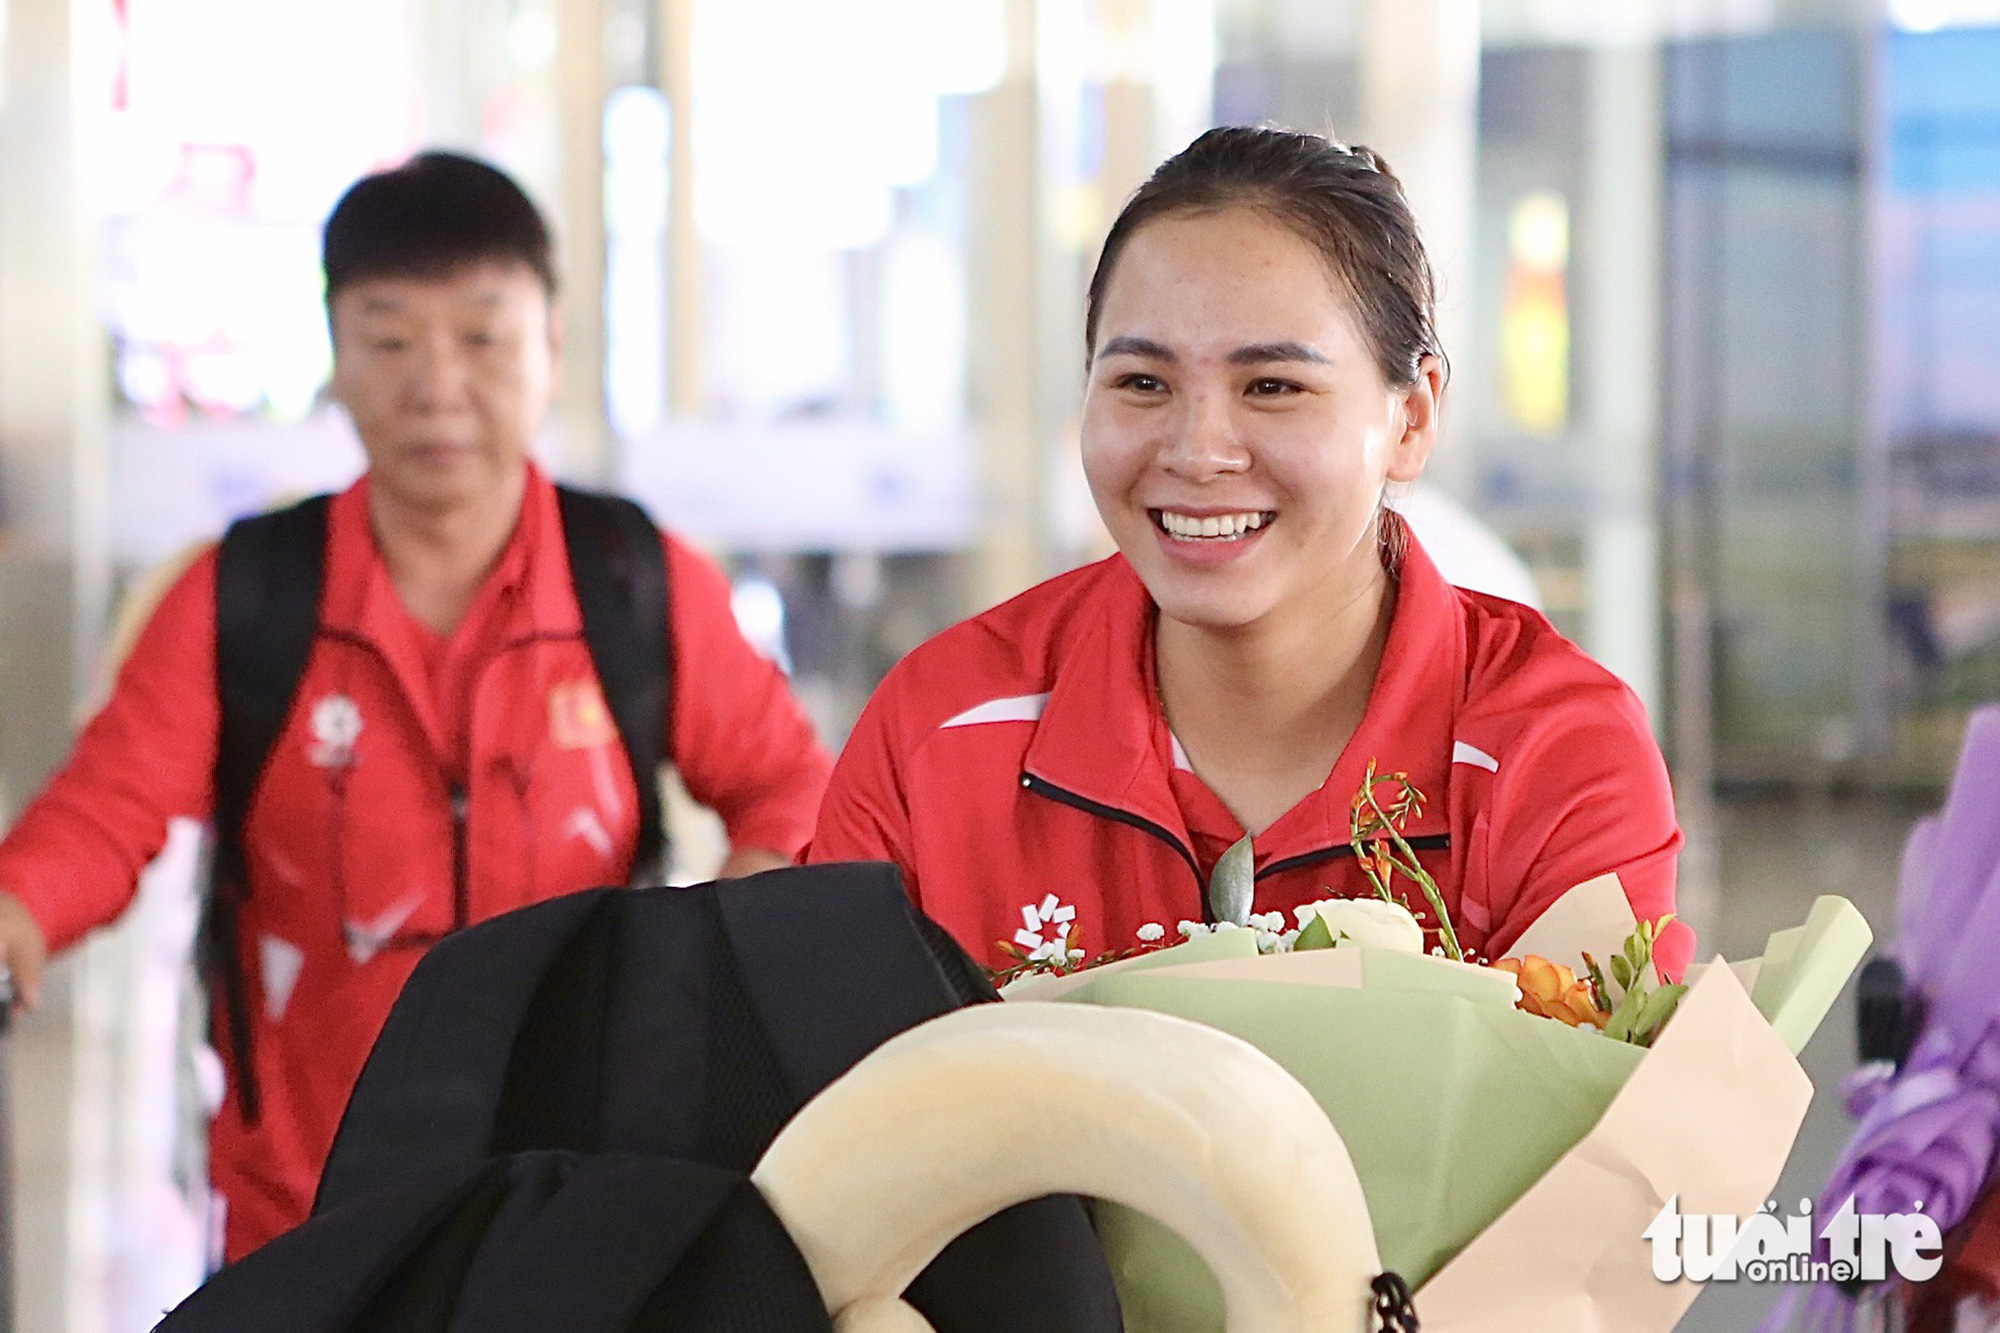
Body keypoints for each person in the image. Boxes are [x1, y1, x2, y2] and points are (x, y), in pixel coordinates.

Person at [0, 152, 833, 1260]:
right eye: (390, 340)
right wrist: (16, 910)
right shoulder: (246, 594)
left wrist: (733, 931)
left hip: (576, 1195)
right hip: (305, 1221)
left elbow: (788, 783)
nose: (437, 385)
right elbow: (106, 810)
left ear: (550, 350)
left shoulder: (632, 580)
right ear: (336, 359)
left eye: (483, 338)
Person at [811, 126, 1691, 979]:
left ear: (1412, 417)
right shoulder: (943, 731)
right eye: (1142, 383)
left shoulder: (1552, 752)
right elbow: (831, 1104)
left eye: (1273, 386)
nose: (1198, 452)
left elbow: (1611, 1118)